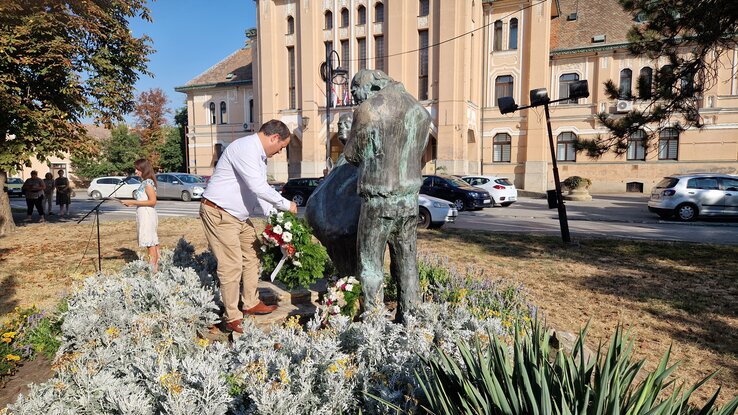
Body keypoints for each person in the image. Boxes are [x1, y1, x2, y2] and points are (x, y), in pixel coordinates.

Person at [343, 69, 431, 322]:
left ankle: (373, 319)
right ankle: (410, 315)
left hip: (378, 200)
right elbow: (417, 151)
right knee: (407, 261)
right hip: (409, 200)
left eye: (354, 91)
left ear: (369, 87)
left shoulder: (369, 109)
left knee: (371, 263)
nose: (354, 98)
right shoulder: (419, 111)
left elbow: (352, 155)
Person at [200, 119, 298, 334]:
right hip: (219, 212)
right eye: (281, 147)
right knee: (231, 265)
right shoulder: (245, 148)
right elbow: (259, 187)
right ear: (274, 138)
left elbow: (257, 192)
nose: (280, 152)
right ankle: (232, 317)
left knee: (253, 254)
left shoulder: (258, 155)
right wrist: (286, 204)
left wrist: (276, 219)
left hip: (238, 216)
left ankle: (251, 302)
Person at [118, 159, 160, 273]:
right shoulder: (145, 182)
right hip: (143, 213)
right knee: (152, 243)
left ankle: (153, 271)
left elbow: (152, 201)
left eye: (138, 169)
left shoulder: (148, 183)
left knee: (150, 243)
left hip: (147, 214)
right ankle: (155, 269)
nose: (136, 171)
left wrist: (132, 202)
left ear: (144, 169)